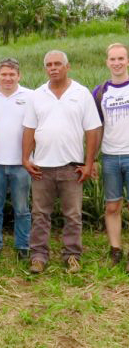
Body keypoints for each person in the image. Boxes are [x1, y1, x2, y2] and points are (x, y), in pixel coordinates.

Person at [22, 50, 101, 274]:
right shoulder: (37, 95)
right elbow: (29, 128)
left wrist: (89, 163)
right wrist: (25, 159)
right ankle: (38, 256)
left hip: (72, 167)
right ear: (45, 68)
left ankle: (72, 255)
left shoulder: (81, 93)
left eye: (58, 64)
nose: (53, 68)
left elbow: (92, 130)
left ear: (68, 66)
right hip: (42, 167)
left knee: (73, 215)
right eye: (49, 64)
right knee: (40, 215)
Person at [0, 58, 32, 260]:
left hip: (22, 164)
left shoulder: (30, 96)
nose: (8, 78)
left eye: (12, 74)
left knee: (22, 209)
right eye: (4, 74)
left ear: (19, 76)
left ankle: (23, 245)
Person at [92, 43, 129, 268]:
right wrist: (93, 158)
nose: (116, 63)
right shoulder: (100, 92)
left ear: (127, 61)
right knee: (112, 206)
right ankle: (115, 249)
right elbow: (97, 128)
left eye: (121, 58)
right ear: (107, 62)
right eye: (112, 59)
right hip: (109, 157)